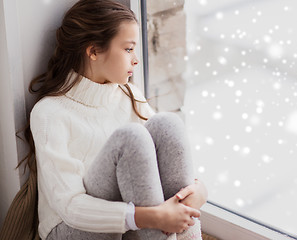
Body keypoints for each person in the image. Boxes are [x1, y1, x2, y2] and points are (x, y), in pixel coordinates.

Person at [24, 0, 208, 239]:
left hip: (127, 220)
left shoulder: (127, 93)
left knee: (167, 124)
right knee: (131, 138)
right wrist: (152, 217)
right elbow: (70, 208)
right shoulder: (50, 113)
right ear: (93, 51)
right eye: (128, 49)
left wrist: (198, 188)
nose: (136, 60)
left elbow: (164, 162)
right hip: (72, 226)